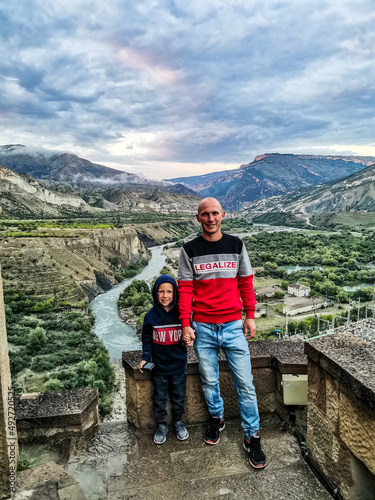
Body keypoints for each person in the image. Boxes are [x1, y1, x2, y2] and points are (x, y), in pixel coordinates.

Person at [177, 197, 266, 469]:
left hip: (232, 326)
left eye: (215, 213)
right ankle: (217, 419)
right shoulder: (189, 250)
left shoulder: (236, 245)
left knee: (246, 385)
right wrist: (185, 323)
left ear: (223, 215)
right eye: (205, 214)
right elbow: (185, 289)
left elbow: (246, 282)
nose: (210, 218)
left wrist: (250, 316)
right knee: (209, 381)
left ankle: (252, 435)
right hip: (202, 326)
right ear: (198, 218)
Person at [138, 274, 189, 445]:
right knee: (159, 398)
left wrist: (189, 338)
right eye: (161, 291)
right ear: (155, 293)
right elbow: (147, 341)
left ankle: (178, 422)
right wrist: (146, 358)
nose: (165, 295)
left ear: (175, 293)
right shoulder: (150, 316)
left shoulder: (182, 315)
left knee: (179, 396)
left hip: (178, 365)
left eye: (169, 291)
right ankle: (161, 425)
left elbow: (190, 333)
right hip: (159, 367)